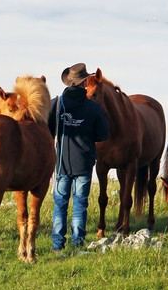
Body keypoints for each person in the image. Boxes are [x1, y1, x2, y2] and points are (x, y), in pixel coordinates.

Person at [49, 63, 109, 252]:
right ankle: (77, 244)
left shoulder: (56, 104)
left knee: (60, 205)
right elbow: (103, 135)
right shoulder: (93, 108)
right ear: (84, 83)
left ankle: (58, 246)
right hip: (84, 163)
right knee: (80, 205)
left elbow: (47, 130)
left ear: (69, 82)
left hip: (61, 164)